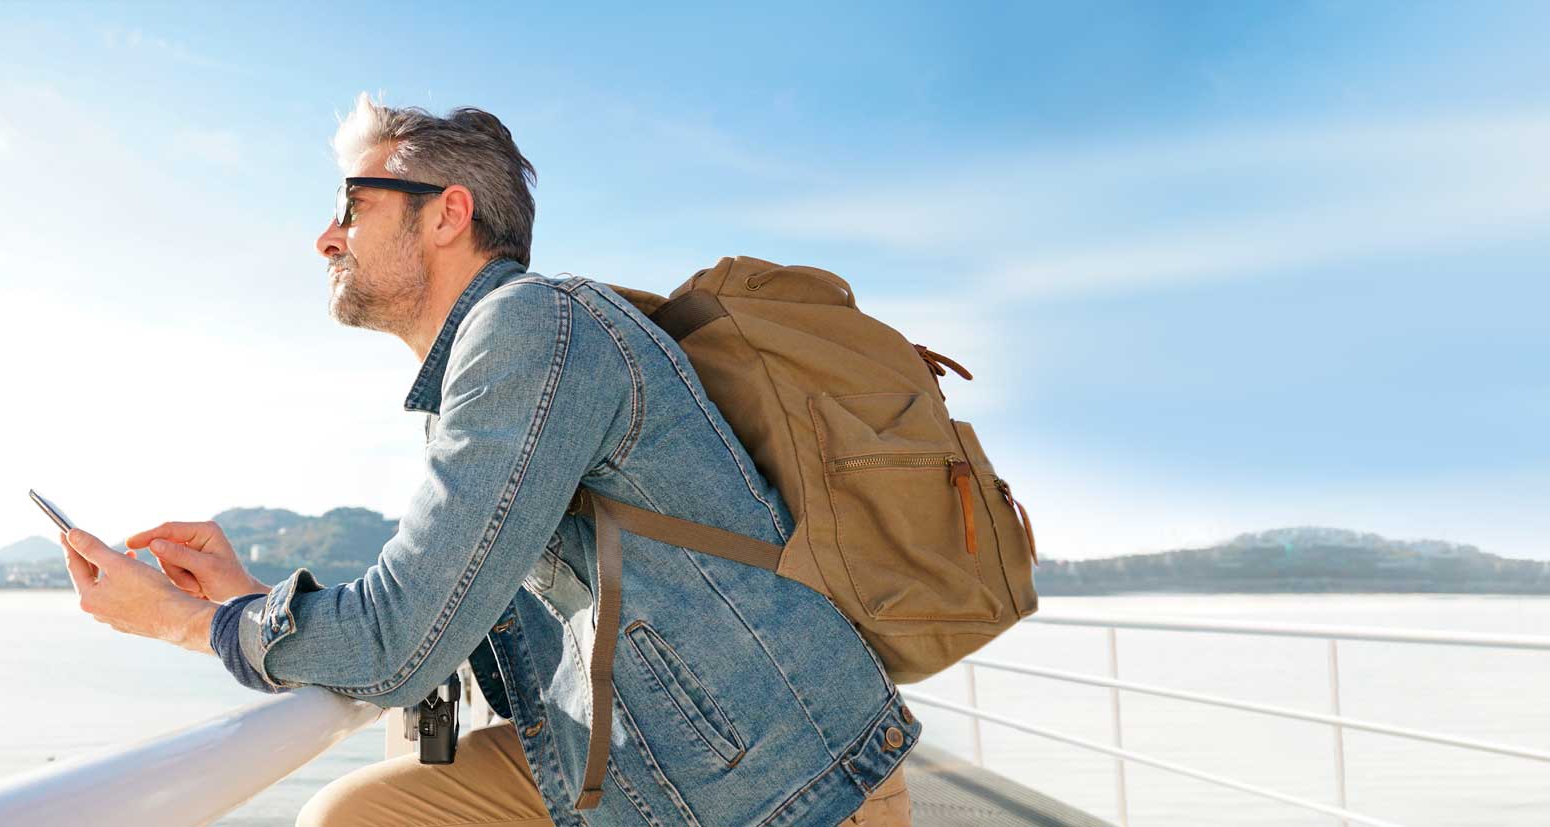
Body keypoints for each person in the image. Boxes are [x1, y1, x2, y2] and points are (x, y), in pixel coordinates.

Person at [56, 94, 917, 827]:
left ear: (447, 213)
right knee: (355, 815)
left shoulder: (531, 330)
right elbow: (433, 607)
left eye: (353, 205)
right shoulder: (486, 368)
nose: (325, 237)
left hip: (790, 790)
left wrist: (181, 620)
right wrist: (246, 599)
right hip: (653, 763)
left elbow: (402, 636)